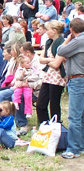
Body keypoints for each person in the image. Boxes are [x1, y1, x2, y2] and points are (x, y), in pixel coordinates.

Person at [56, 18, 84, 159]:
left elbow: (60, 50)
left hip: (78, 80)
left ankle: (73, 148)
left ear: (72, 30)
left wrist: (67, 39)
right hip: (81, 78)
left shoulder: (78, 41)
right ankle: (81, 145)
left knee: (74, 116)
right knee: (81, 116)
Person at [37, 20, 66, 124]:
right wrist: (50, 60)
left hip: (57, 77)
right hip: (48, 75)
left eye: (48, 30)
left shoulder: (62, 43)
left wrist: (48, 60)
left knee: (54, 104)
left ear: (54, 31)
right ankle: (45, 125)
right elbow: (41, 59)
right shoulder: (48, 42)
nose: (46, 32)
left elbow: (56, 65)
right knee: (40, 104)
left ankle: (55, 126)